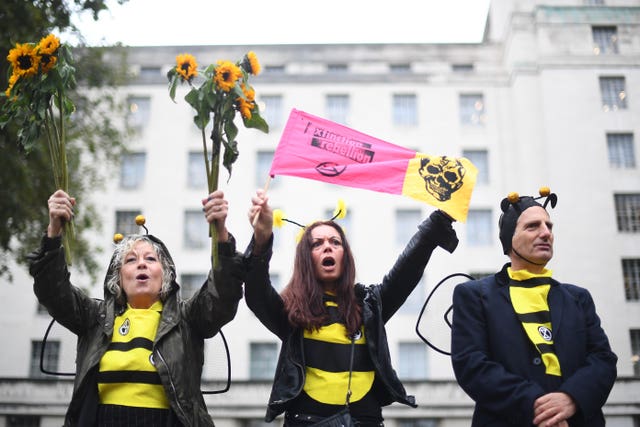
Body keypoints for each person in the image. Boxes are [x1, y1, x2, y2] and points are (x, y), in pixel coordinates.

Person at [28, 188, 244, 427]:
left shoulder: (187, 317)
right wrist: (54, 231)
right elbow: (52, 290)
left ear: (166, 276)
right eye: (131, 260)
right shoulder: (94, 317)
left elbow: (222, 296)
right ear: (118, 277)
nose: (141, 263)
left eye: (150, 259)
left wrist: (222, 236)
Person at [244, 189, 459, 426]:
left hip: (364, 420)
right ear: (306, 258)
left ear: (345, 255)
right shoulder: (291, 310)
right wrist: (261, 239)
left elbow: (407, 270)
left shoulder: (369, 305)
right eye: (317, 244)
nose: (327, 247)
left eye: (335, 242)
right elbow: (256, 293)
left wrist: (441, 219)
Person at [450, 188, 617, 427]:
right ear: (509, 241)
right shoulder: (473, 295)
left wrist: (572, 399)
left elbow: (603, 360)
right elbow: (472, 365)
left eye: (549, 226)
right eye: (533, 226)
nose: (546, 233)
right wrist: (540, 407)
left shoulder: (579, 298)